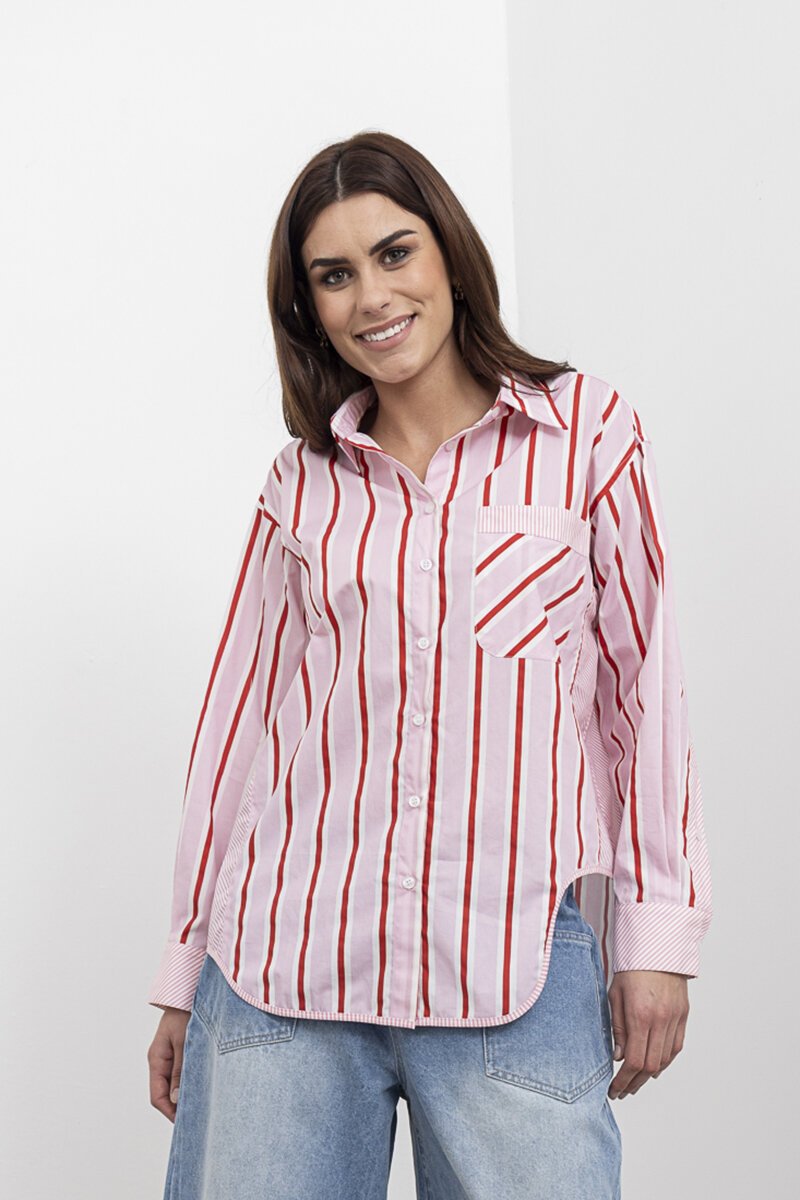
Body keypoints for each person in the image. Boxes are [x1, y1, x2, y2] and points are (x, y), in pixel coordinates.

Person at [146, 129, 712, 1199]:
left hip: (514, 959)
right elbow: (239, 728)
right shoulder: (301, 484)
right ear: (308, 307)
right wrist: (184, 972)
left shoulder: (586, 434)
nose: (372, 296)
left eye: (394, 253)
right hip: (283, 967)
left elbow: (643, 695)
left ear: (449, 253)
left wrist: (657, 936)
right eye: (334, 276)